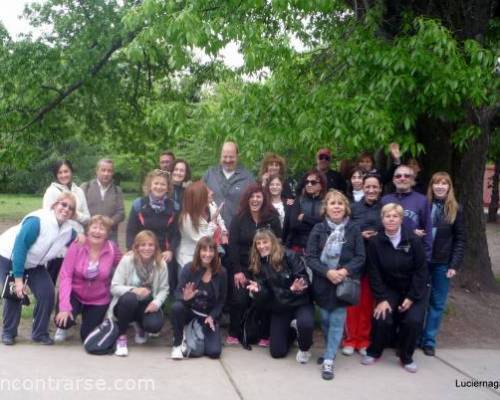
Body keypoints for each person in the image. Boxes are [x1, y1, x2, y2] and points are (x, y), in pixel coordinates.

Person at [0, 193, 80, 345]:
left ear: (73, 214)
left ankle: (40, 333)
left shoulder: (68, 230)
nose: (66, 209)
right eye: (63, 204)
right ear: (55, 204)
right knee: (14, 293)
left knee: (47, 292)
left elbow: (80, 241)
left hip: (34, 263)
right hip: (9, 256)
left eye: (70, 208)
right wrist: (18, 280)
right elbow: (20, 248)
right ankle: (8, 333)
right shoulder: (38, 221)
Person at [362, 203, 428, 373]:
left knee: (413, 321)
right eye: (387, 216)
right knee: (382, 317)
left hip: (414, 289)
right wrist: (382, 299)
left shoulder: (413, 240)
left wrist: (412, 297)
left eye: (395, 216)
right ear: (382, 219)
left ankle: (406, 357)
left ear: (401, 219)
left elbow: (421, 271)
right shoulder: (376, 242)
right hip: (389, 288)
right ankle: (374, 351)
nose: (391, 219)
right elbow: (374, 272)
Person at [306, 190, 365, 380]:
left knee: (337, 321)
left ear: (346, 207)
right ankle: (329, 350)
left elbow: (360, 257)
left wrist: (344, 271)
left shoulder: (354, 229)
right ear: (326, 208)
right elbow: (311, 257)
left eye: (340, 203)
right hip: (323, 283)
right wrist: (327, 272)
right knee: (325, 320)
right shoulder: (318, 229)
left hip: (343, 284)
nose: (337, 207)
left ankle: (329, 359)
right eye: (332, 203)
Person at [226, 183, 282, 345]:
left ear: (264, 199)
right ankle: (235, 332)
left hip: (265, 267)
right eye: (252, 196)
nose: (255, 199)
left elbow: (278, 242)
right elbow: (233, 245)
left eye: (258, 196)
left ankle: (264, 334)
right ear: (247, 199)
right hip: (242, 266)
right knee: (240, 299)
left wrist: (272, 268)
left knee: (263, 297)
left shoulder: (272, 217)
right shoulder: (239, 218)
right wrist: (237, 270)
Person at [247, 230, 314, 363]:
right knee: (277, 352)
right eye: (258, 243)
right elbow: (267, 296)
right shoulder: (258, 264)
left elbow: (303, 278)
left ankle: (305, 348)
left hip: (299, 303)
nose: (262, 246)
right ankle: (293, 331)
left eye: (265, 242)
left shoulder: (289, 255)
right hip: (281, 306)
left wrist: (298, 287)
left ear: (273, 242)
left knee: (305, 324)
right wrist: (259, 290)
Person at [54, 215, 122, 342]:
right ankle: (64, 327)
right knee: (64, 321)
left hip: (98, 299)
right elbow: (66, 276)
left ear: (107, 234)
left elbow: (125, 265)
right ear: (88, 230)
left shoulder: (112, 249)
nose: (97, 231)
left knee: (87, 337)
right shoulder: (77, 245)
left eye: (102, 229)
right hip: (74, 293)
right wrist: (64, 307)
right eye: (94, 227)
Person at [421, 172, 465, 356]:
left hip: (442, 263)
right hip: (422, 261)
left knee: (437, 303)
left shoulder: (456, 209)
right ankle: (413, 336)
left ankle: (429, 340)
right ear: (431, 186)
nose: (440, 186)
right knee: (419, 300)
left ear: (449, 187)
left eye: (444, 183)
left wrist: (454, 265)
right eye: (436, 183)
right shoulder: (424, 205)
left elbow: (461, 239)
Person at [342, 173, 383, 356]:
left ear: (380, 188)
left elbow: (391, 229)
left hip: (375, 262)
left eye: (375, 187)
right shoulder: (353, 208)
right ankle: (350, 340)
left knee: (367, 304)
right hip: (354, 260)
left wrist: (377, 235)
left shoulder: (384, 208)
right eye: (368, 187)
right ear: (362, 188)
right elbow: (345, 231)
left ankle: (363, 341)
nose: (371, 190)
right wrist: (360, 235)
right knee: (352, 303)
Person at [109, 230, 169, 357]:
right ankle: (122, 337)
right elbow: (114, 287)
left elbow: (164, 289)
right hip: (125, 304)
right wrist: (134, 290)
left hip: (146, 304)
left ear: (156, 247)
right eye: (143, 245)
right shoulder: (127, 260)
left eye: (150, 245)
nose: (147, 248)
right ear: (136, 247)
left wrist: (156, 303)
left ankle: (140, 326)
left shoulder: (161, 263)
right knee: (130, 298)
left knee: (154, 326)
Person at [170, 236, 227, 359]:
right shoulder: (189, 268)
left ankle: (195, 332)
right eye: (204, 250)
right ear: (198, 252)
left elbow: (222, 300)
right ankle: (177, 343)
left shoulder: (221, 272)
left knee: (214, 352)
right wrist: (185, 297)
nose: (208, 254)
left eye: (211, 250)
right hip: (190, 312)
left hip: (207, 317)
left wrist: (212, 316)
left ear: (215, 253)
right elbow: (177, 293)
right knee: (177, 307)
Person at [126, 169, 180, 290]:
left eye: (163, 184)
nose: (159, 187)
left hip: (163, 252)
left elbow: (176, 234)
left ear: (167, 188)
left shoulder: (174, 207)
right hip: (142, 249)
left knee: (162, 285)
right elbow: (130, 231)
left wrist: (171, 251)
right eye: (156, 183)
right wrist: (131, 249)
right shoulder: (138, 205)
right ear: (150, 185)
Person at [43, 160, 91, 283]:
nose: (64, 175)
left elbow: (88, 218)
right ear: (56, 175)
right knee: (50, 279)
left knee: (74, 280)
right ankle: (46, 302)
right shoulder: (51, 191)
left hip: (77, 242)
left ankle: (66, 302)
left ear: (71, 172)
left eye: (66, 171)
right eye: (60, 172)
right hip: (58, 243)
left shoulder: (79, 191)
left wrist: (75, 215)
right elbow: (47, 216)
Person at [381, 164, 432, 260]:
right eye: (398, 176)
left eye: (406, 176)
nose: (402, 178)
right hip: (388, 254)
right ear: (393, 180)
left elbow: (428, 230)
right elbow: (380, 228)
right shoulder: (385, 200)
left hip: (413, 255)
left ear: (413, 180)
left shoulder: (422, 200)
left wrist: (426, 258)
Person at [203, 141, 254, 228]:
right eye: (225, 157)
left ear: (237, 156)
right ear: (220, 156)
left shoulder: (247, 177)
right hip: (211, 231)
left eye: (231, 157)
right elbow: (198, 198)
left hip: (238, 230)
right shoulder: (209, 174)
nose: (228, 160)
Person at [176, 181, 223, 273]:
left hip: (205, 259)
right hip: (188, 261)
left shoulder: (210, 208)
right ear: (199, 197)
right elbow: (201, 239)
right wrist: (213, 223)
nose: (212, 192)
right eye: (208, 192)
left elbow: (220, 222)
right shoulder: (187, 218)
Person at [80, 158, 125, 242]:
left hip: (110, 236)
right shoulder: (86, 187)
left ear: (112, 173)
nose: (106, 173)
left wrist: (110, 221)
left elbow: (121, 213)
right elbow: (78, 210)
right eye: (103, 170)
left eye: (109, 171)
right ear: (97, 171)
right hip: (88, 235)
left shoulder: (117, 190)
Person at [287, 170, 327, 253]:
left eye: (313, 182)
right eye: (307, 182)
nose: (309, 185)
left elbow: (326, 224)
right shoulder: (299, 200)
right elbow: (293, 224)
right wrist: (317, 222)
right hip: (299, 247)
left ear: (321, 185)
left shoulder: (327, 202)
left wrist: (305, 218)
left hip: (320, 248)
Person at [265, 174, 291, 240]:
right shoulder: (264, 204)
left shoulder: (289, 204)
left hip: (285, 242)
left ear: (282, 187)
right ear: (268, 186)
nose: (275, 187)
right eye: (272, 184)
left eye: (277, 184)